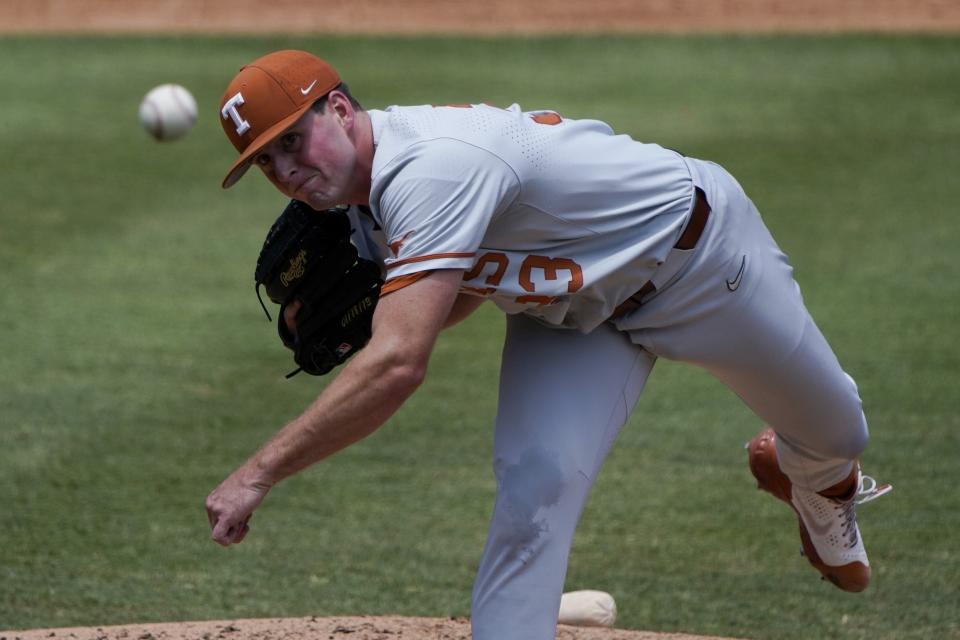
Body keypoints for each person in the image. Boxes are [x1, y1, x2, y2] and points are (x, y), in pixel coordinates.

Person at [205, 50, 890, 638]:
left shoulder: (431, 168)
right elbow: (468, 286)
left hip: (702, 264)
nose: (285, 170)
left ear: (341, 109)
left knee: (838, 429)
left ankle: (818, 484)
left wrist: (257, 472)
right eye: (266, 160)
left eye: (293, 140)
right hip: (570, 319)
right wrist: (399, 311)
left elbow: (398, 365)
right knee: (534, 493)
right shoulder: (362, 209)